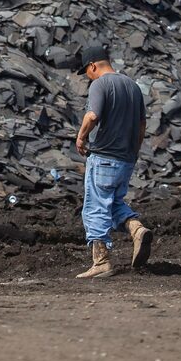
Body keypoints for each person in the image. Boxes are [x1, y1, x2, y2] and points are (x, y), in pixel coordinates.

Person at [73, 41, 152, 279]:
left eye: (86, 71)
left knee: (95, 208)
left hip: (104, 157)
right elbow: (141, 125)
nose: (87, 76)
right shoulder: (133, 86)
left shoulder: (100, 84)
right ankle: (137, 229)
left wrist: (81, 137)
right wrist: (134, 152)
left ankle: (102, 261)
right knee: (114, 203)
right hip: (125, 160)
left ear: (93, 66)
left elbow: (93, 115)